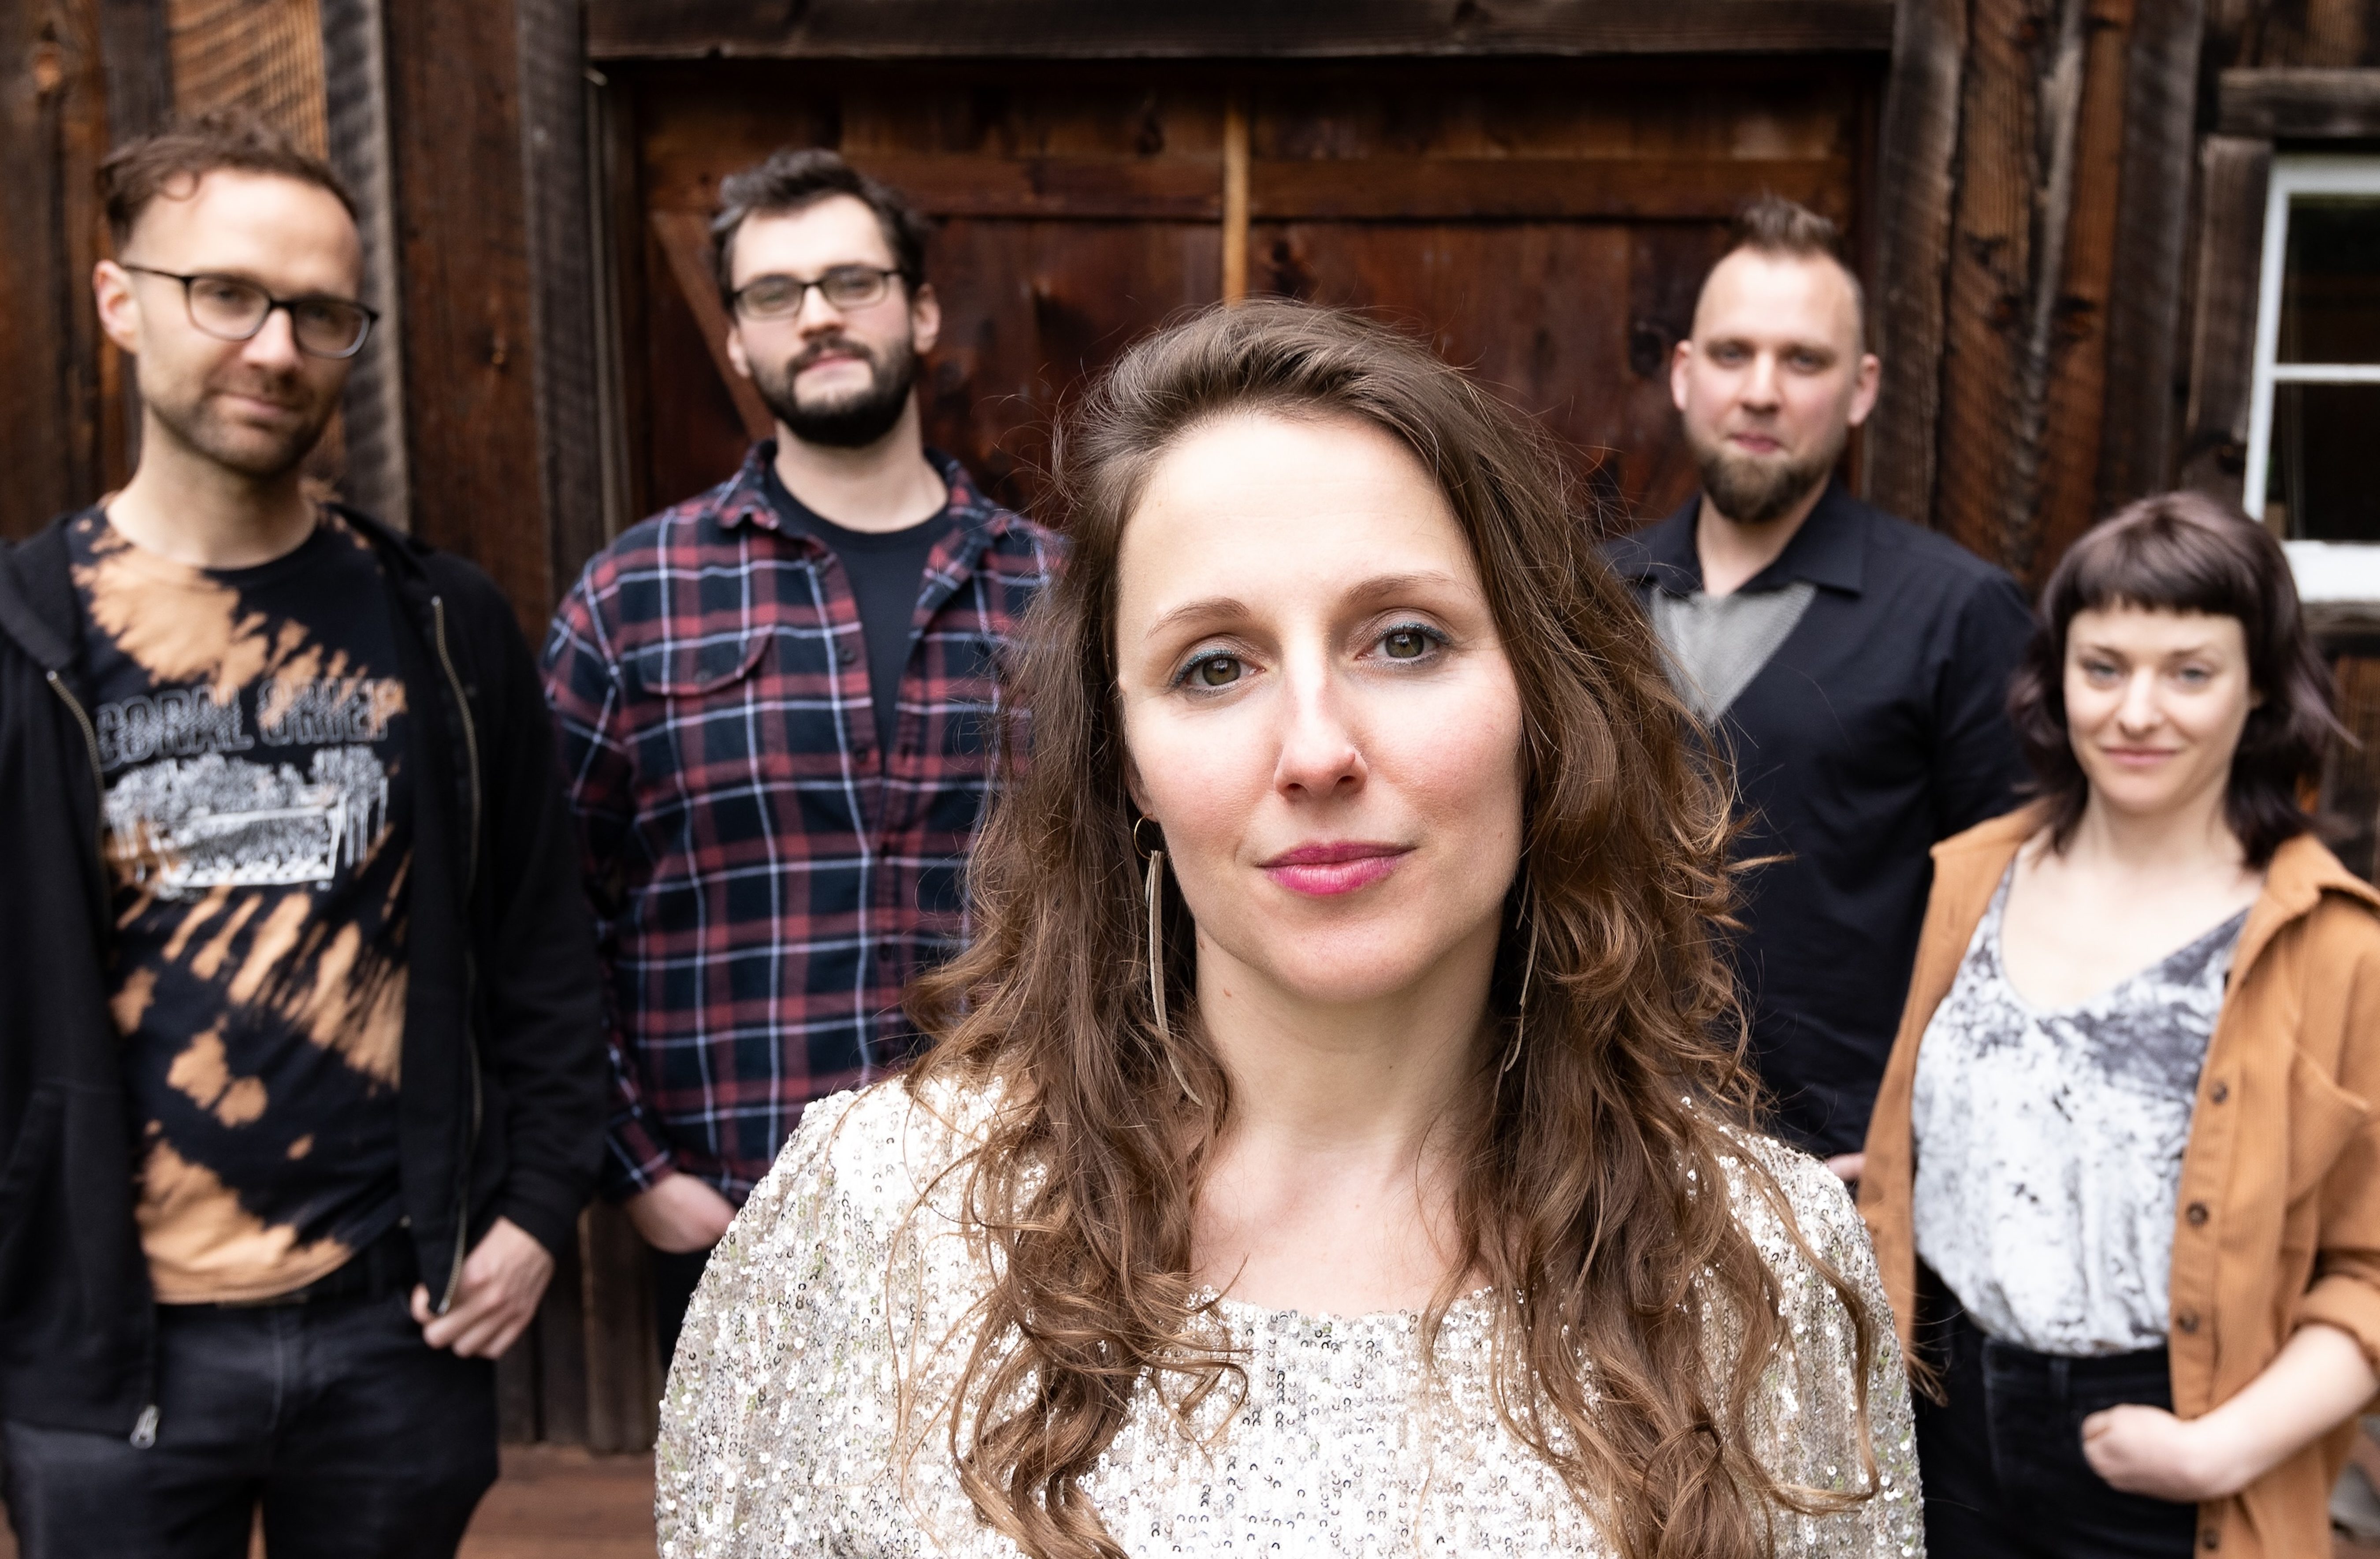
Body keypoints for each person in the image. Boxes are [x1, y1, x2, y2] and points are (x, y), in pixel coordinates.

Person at [652, 302, 1918, 1557]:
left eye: (1405, 640)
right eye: (1215, 664)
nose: (1316, 750)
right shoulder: (874, 1222)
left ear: (1544, 698)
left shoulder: (1759, 1263)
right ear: (1126, 759)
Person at [0, 114, 606, 1559]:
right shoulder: (24, 639)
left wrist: (536, 1207)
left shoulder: (443, 626)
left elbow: (542, 943)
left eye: (319, 312)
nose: (275, 348)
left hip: (392, 1329)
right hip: (107, 1352)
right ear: (120, 299)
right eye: (227, 293)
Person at [541, 149, 1056, 1362]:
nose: (818, 314)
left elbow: (1150, 881)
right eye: (776, 293)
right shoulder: (635, 597)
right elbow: (548, 913)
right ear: (737, 339)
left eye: (851, 281)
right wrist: (641, 1170)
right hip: (735, 1220)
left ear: (918, 311)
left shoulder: (1061, 591)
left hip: (1022, 1212)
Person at [1858, 493, 2380, 1559]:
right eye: (2104, 667)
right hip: (1940, 1408)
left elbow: (2370, 1270)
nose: (2138, 711)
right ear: (2057, 676)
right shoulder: (1975, 875)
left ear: (2260, 686)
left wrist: (2218, 1452)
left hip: (2165, 1444)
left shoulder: (2333, 944)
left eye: (2189, 672)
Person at [1606, 196, 2034, 1173]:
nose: (1762, 391)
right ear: (1684, 374)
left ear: (1860, 388)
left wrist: (1916, 1143)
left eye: (1803, 361)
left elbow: (2018, 921)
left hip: (1837, 1175)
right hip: (1604, 1158)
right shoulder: (1591, 597)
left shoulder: (1957, 613)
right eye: (1733, 354)